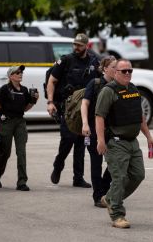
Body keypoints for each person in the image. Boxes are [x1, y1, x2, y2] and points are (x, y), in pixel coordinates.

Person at [96, 59, 153, 229]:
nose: (128, 73)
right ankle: (117, 214)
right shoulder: (108, 91)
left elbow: (140, 117)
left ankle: (110, 199)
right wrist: (100, 140)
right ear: (115, 73)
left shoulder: (134, 89)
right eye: (124, 71)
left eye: (130, 70)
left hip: (133, 142)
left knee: (138, 175)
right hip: (116, 142)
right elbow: (99, 116)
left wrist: (149, 136)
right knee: (120, 178)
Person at [46, 33, 100, 188]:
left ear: (86, 46)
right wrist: (50, 102)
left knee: (82, 141)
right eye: (75, 44)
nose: (76, 47)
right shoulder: (66, 60)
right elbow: (52, 81)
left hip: (86, 106)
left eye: (79, 45)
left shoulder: (93, 61)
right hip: (69, 106)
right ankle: (58, 164)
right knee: (68, 139)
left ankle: (78, 177)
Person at [0, 65, 38, 191]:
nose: (20, 74)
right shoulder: (4, 89)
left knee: (21, 152)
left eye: (21, 72)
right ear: (11, 76)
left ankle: (22, 182)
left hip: (20, 122)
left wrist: (33, 101)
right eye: (17, 72)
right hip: (6, 123)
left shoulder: (24, 90)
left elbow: (25, 109)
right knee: (5, 152)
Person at [81, 56, 116, 208]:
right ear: (105, 68)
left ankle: (104, 188)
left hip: (112, 130)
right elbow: (85, 104)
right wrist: (85, 124)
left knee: (115, 161)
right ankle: (98, 196)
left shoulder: (117, 85)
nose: (117, 70)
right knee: (96, 163)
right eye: (114, 67)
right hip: (94, 130)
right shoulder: (95, 83)